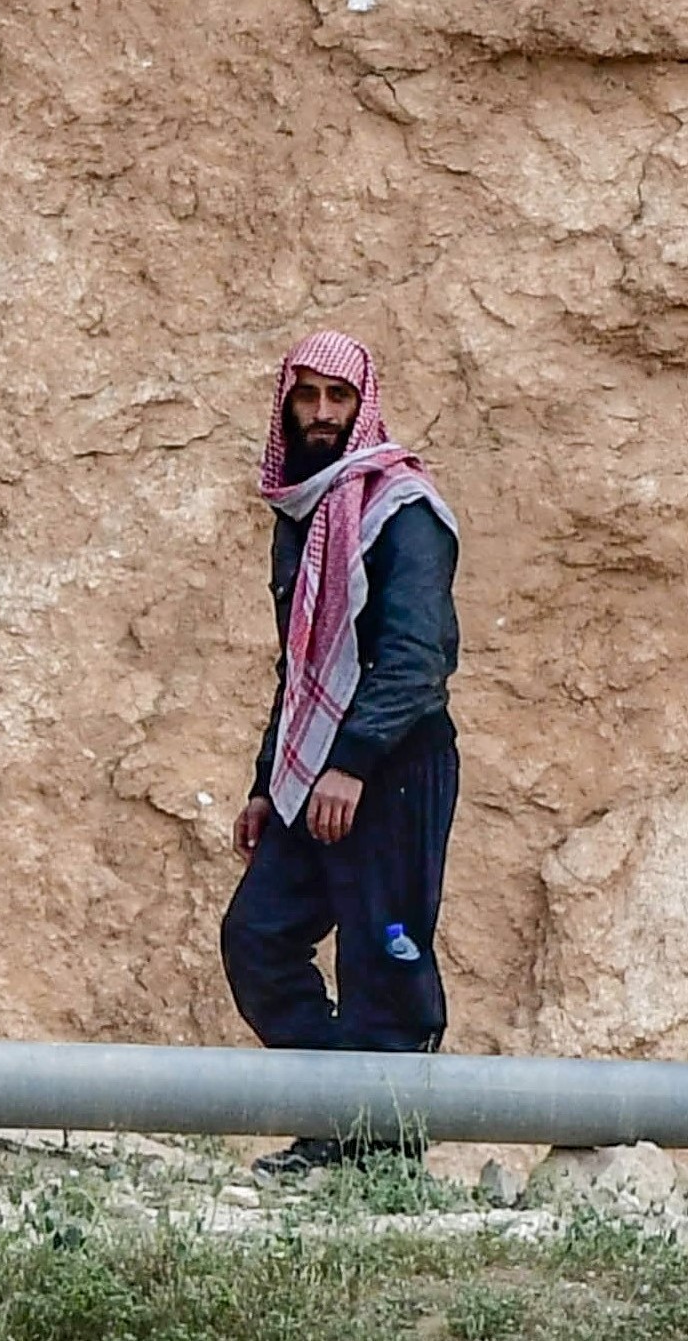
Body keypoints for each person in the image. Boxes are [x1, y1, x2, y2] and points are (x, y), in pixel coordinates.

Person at [221, 330, 461, 1177]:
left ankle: (384, 1151)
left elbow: (415, 658)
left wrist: (352, 761)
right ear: (286, 403)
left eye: (338, 398)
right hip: (311, 766)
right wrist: (265, 783)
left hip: (390, 769)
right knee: (257, 938)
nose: (321, 413)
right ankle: (342, 1118)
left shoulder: (405, 511)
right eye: (306, 395)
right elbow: (301, 665)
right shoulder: (306, 511)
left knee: (385, 946)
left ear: (364, 406)